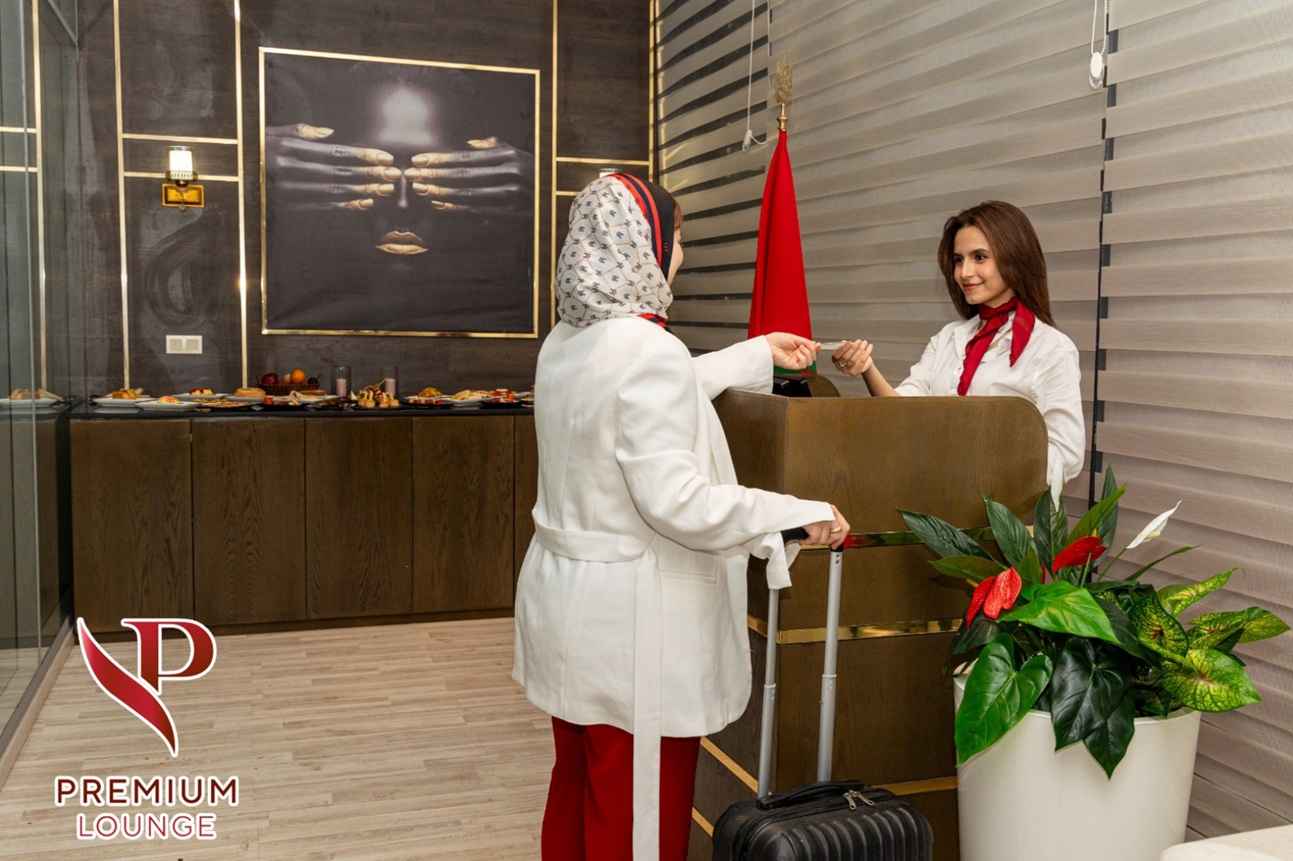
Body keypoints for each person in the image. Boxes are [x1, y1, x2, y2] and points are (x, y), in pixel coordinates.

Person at [513, 173, 850, 860]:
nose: (682, 256)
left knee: (578, 790)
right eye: (679, 239)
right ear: (644, 245)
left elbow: (628, 399)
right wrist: (792, 514)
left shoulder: (566, 343)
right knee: (636, 823)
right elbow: (679, 502)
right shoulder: (646, 350)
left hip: (568, 613)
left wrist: (755, 354)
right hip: (633, 633)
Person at [831, 200, 1084, 498]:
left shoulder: (1052, 349)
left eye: (979, 257)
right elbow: (902, 413)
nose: (964, 272)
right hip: (937, 506)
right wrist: (867, 368)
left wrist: (981, 466)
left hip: (1004, 515)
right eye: (958, 260)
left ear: (1015, 257)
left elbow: (1066, 455)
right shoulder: (948, 338)